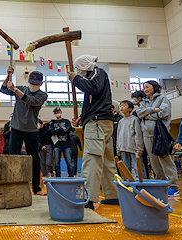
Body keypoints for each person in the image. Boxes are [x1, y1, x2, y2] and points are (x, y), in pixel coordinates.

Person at [68, 54, 118, 209]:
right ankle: (113, 195)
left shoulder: (97, 73)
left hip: (97, 124)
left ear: (85, 66)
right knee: (108, 161)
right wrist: (82, 118)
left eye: (78, 68)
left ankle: (88, 198)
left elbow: (93, 88)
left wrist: (75, 79)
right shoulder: (94, 77)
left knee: (92, 159)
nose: (77, 71)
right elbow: (92, 101)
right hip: (101, 122)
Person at [0, 66, 48, 196]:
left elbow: (30, 100)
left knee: (34, 160)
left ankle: (36, 189)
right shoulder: (22, 88)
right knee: (13, 157)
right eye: (31, 83)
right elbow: (3, 90)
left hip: (31, 130)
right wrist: (8, 75)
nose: (33, 85)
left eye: (36, 84)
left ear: (41, 84)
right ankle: (11, 185)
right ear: (28, 81)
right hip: (15, 128)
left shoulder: (42, 95)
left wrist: (14, 89)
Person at [136, 80, 179, 197]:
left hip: (160, 135)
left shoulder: (162, 99)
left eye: (147, 87)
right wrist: (153, 110)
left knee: (166, 161)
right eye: (144, 87)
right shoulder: (143, 101)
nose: (145, 89)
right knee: (154, 163)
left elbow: (163, 114)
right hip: (147, 135)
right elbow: (139, 113)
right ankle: (161, 185)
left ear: (154, 87)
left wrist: (147, 115)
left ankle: (174, 187)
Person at [116, 100, 146, 178]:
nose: (121, 107)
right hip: (123, 148)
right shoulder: (121, 121)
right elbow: (118, 135)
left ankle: (142, 183)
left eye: (124, 106)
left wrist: (139, 148)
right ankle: (127, 184)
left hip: (133, 148)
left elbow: (138, 134)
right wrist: (118, 148)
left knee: (138, 167)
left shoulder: (135, 119)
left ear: (130, 108)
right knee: (125, 168)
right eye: (120, 106)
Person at [49, 108, 74, 177]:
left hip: (67, 145)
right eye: (55, 112)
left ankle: (71, 175)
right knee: (56, 162)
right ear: (54, 113)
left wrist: (57, 132)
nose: (57, 113)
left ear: (61, 112)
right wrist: (62, 129)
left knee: (69, 162)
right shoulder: (52, 122)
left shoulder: (66, 121)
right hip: (57, 145)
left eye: (58, 111)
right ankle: (58, 175)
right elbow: (52, 132)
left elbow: (68, 130)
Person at [131, 90, 150, 178]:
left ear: (139, 99)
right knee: (143, 161)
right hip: (142, 138)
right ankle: (146, 179)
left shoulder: (147, 108)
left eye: (133, 98)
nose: (132, 100)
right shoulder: (136, 112)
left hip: (148, 136)